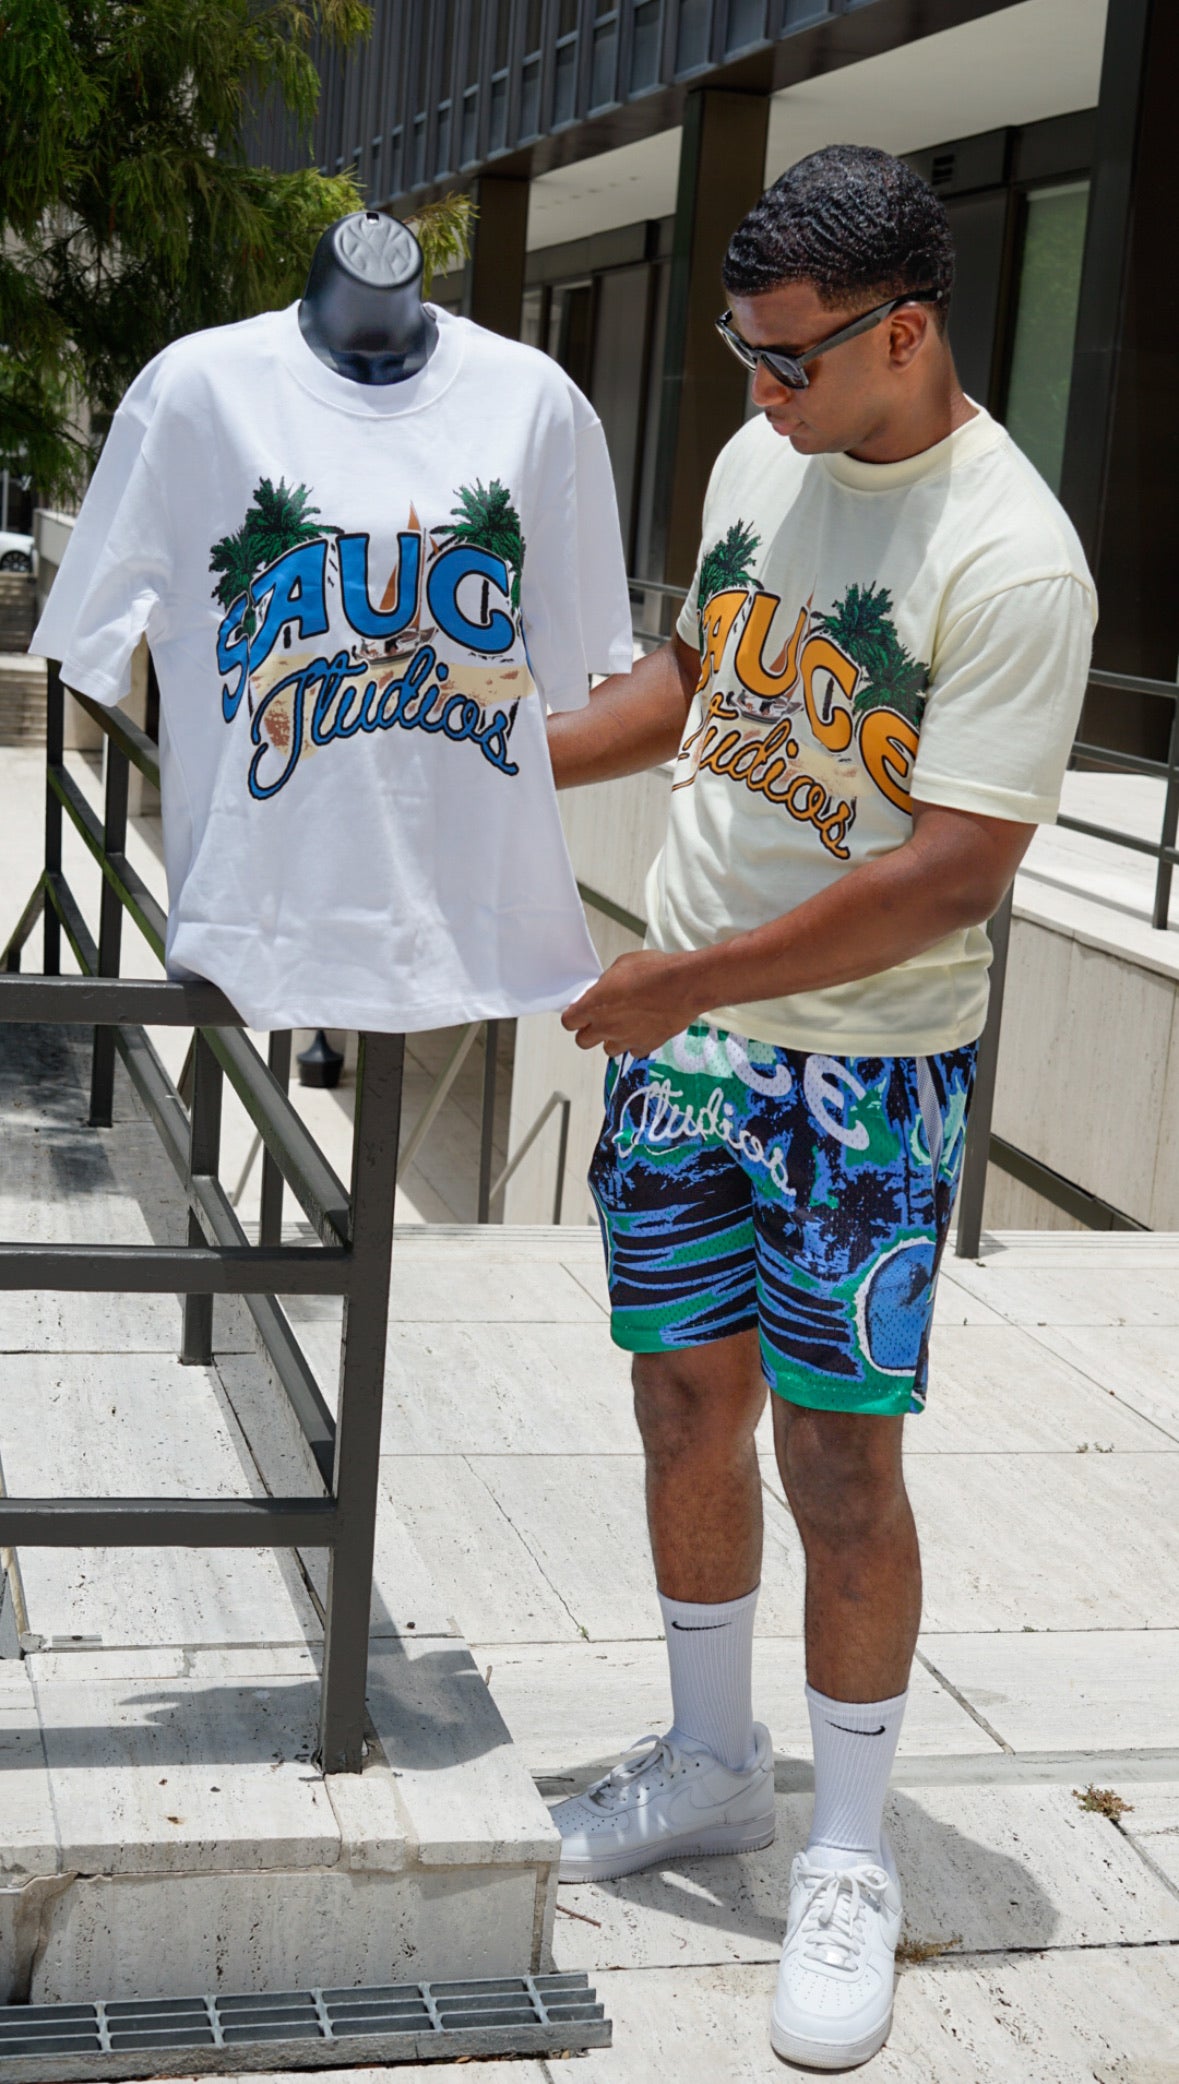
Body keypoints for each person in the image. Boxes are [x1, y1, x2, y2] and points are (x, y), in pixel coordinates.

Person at [545, 144, 1095, 2072]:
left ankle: (847, 1853)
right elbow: (701, 678)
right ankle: (710, 1761)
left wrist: (675, 983)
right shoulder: (758, 462)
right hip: (693, 1054)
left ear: (908, 330)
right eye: (739, 352)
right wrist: (500, 761)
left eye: (787, 360)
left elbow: (955, 869)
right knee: (681, 1398)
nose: (756, 394)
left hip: (864, 1079)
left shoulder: (1010, 556)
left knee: (842, 1469)